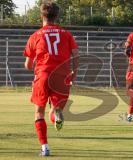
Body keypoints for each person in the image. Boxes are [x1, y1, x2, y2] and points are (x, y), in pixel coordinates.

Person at [23, 2, 79, 156]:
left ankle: (45, 147)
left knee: (39, 113)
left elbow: (28, 65)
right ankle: (57, 114)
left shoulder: (35, 35)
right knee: (55, 109)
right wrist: (74, 71)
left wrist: (35, 65)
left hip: (43, 74)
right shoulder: (66, 34)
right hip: (62, 75)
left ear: (41, 15)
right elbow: (75, 54)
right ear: (57, 16)